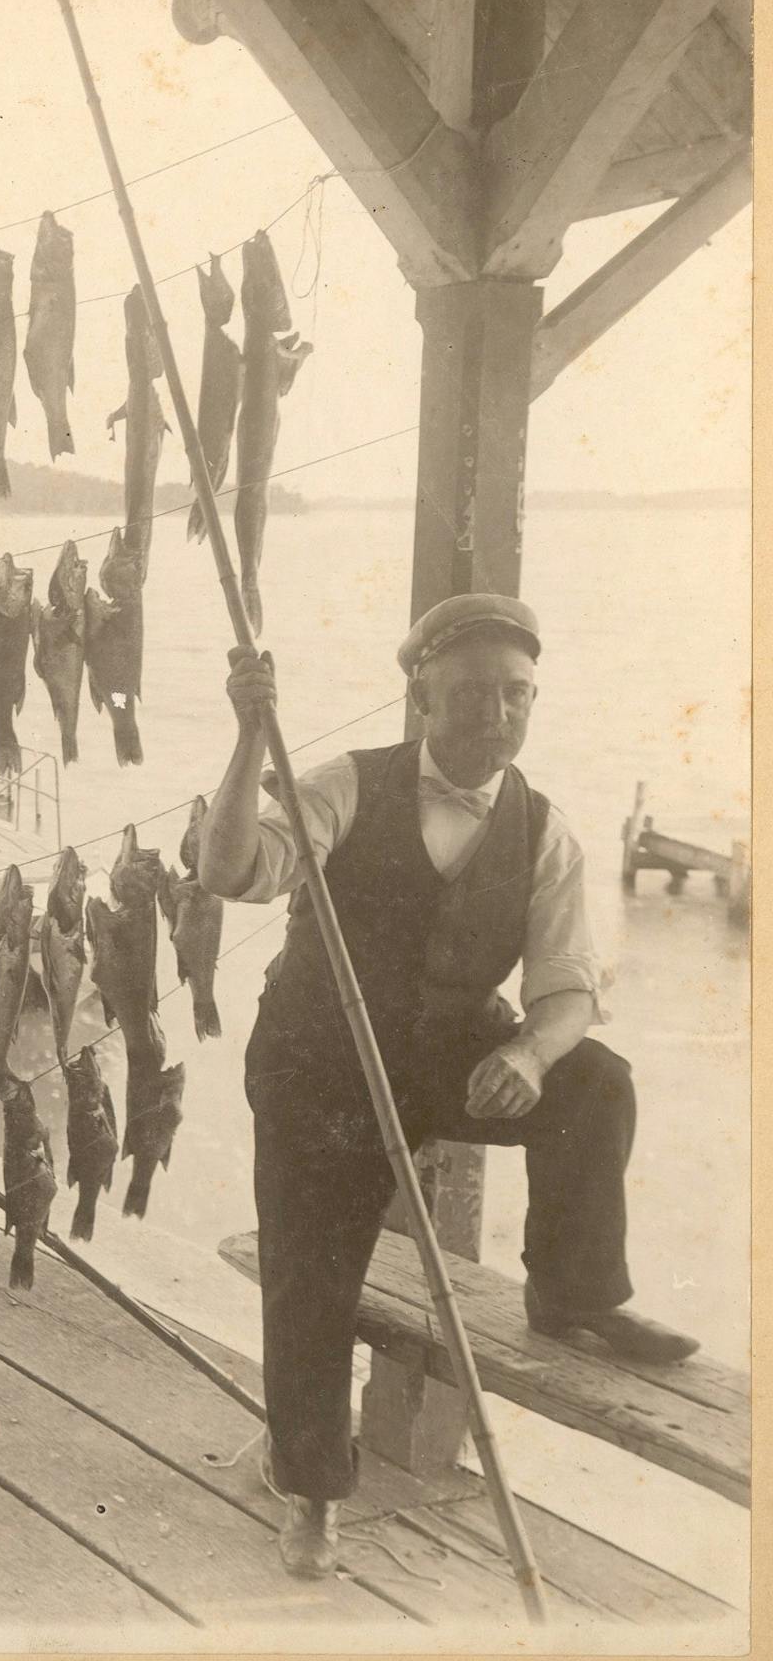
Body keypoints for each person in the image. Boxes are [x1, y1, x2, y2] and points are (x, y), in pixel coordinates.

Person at [196, 593, 698, 1581]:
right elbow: (232, 870)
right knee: (313, 1267)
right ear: (421, 697)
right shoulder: (345, 783)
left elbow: (568, 989)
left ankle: (573, 1292)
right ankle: (311, 1487)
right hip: (321, 1062)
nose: (496, 715)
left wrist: (530, 1056)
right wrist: (251, 733)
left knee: (596, 1085)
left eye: (517, 695)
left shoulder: (543, 828)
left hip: (448, 1056)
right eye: (471, 693)